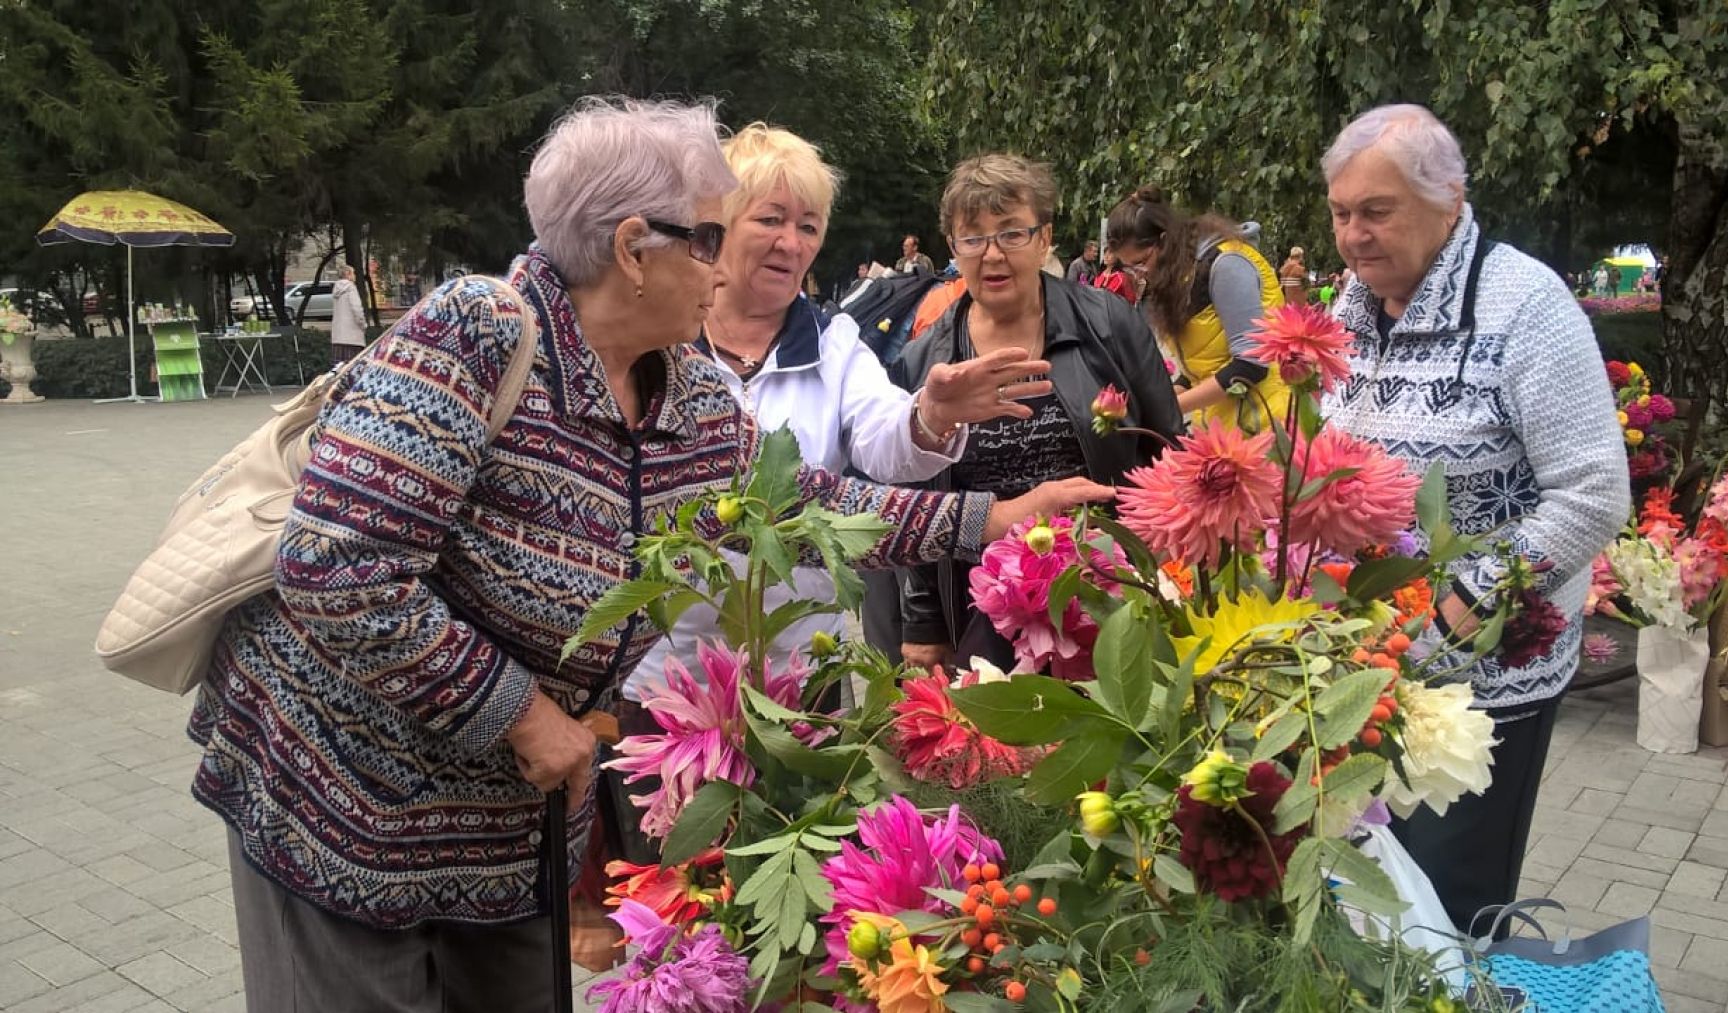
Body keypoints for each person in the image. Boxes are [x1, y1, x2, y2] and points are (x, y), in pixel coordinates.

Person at [189, 97, 1112, 1013]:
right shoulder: (476, 334)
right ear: (634, 249)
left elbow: (807, 500)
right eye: (713, 236)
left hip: (509, 824)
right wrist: (517, 712)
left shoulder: (690, 393)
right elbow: (337, 568)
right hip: (345, 798)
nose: (731, 263)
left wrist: (989, 520)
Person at [1317, 103, 1630, 935]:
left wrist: (1465, 604)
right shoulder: (1351, 302)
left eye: (1376, 211)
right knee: (1369, 903)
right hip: (1361, 672)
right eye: (1342, 212)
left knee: (1450, 912)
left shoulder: (1525, 304)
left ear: (1448, 198)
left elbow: (1595, 491)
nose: (1353, 235)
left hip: (1478, 681)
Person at [621, 122, 1052, 701]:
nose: (792, 243)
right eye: (771, 220)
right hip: (662, 679)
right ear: (720, 225)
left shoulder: (834, 341)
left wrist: (931, 414)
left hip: (798, 674)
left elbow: (881, 440)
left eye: (809, 226)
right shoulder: (657, 342)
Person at [895, 154, 1183, 673]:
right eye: (973, 237)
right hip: (981, 609)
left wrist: (1167, 567)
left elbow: (1168, 450)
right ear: (954, 249)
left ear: (1044, 237)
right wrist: (922, 623)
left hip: (1106, 596)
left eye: (1011, 233)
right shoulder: (927, 363)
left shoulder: (1109, 325)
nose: (992, 255)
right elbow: (916, 498)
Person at [1106, 187, 1288, 429]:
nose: (1142, 273)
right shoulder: (1181, 275)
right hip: (1227, 427)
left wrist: (1165, 407)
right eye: (1131, 267)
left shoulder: (1226, 265)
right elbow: (1199, 369)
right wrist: (1153, 401)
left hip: (1268, 426)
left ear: (1163, 240)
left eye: (1142, 262)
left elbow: (1251, 366)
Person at [329, 266, 367, 364]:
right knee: (352, 369)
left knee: (338, 370)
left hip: (338, 337)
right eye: (353, 273)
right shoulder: (351, 288)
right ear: (348, 274)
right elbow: (357, 309)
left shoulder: (336, 289)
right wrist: (363, 325)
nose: (355, 275)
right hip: (352, 337)